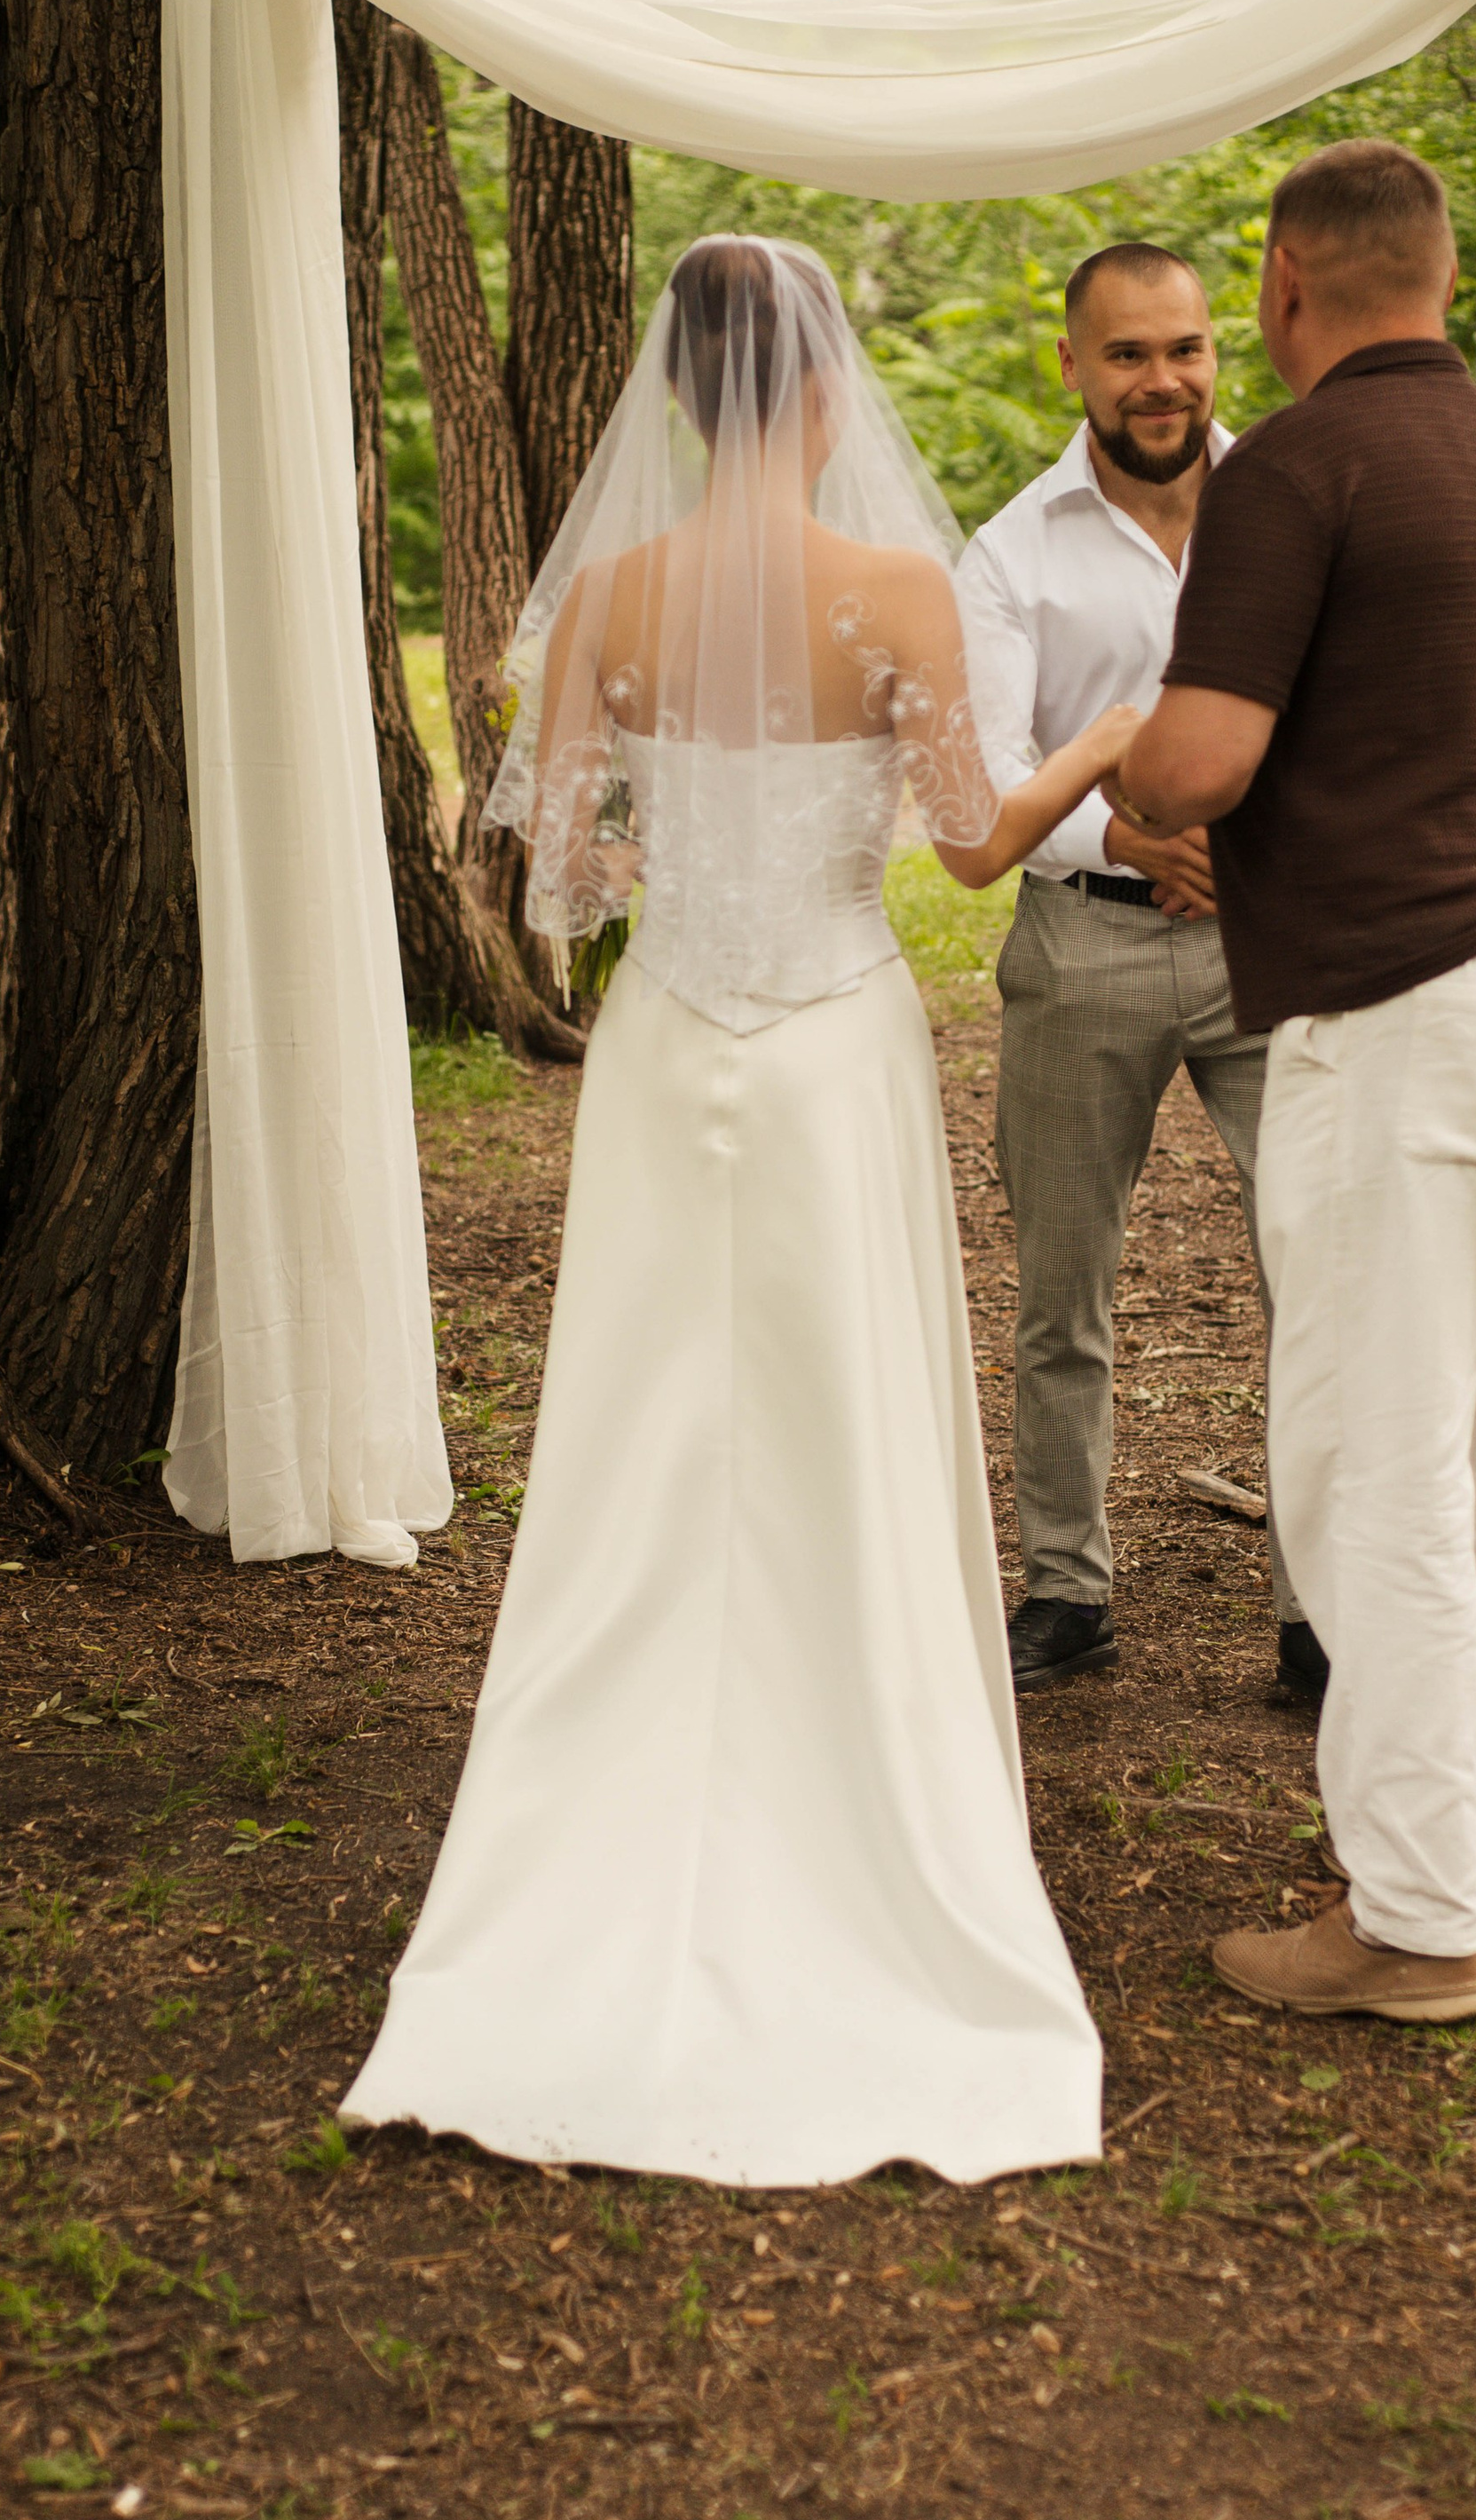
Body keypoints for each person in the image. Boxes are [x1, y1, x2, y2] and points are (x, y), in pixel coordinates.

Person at [342, 237, 1141, 2184]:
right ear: (812, 387)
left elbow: (564, 883)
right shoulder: (890, 594)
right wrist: (1102, 747)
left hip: (670, 1040)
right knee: (836, 1415)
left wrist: (685, 860)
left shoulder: (606, 596)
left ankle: (599, 1809)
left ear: (681, 395)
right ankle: (855, 1790)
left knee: (643, 1425)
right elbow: (963, 845)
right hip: (827, 1045)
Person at [1109, 141, 1476, 2026]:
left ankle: (1403, 1917)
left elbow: (1198, 760)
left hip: (1416, 1012)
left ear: (1281, 288)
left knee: (1370, 1461)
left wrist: (1138, 782)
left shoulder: (1299, 468)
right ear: (1438, 275)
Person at [956, 242, 1322, 1700]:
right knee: (1064, 1286)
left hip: (1272, 941)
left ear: (1215, 351)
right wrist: (1130, 831)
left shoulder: (1294, 505)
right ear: (1072, 365)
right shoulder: (1007, 554)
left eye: (1183, 348)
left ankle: (1320, 1607)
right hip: (1085, 938)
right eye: (1126, 353)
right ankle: (1065, 1590)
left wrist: (1246, 845)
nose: (1159, 378)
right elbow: (985, 775)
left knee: (1322, 1266)